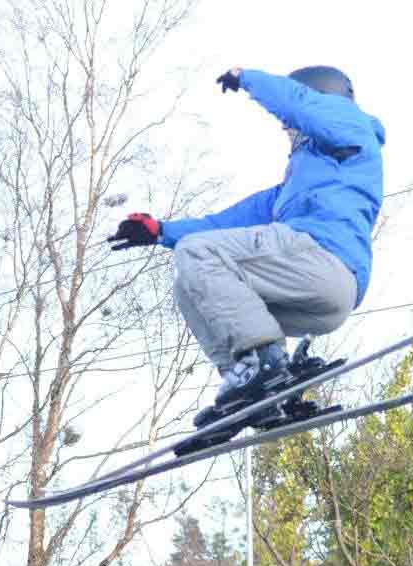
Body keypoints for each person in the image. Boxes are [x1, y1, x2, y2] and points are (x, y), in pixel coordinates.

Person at [108, 65, 385, 412]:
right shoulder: (292, 190)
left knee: (199, 254)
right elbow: (226, 225)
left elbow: (300, 106)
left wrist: (249, 78)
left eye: (290, 126)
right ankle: (250, 383)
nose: (287, 131)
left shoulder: (353, 129)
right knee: (190, 285)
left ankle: (263, 364)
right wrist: (161, 232)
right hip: (318, 298)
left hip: (322, 259)